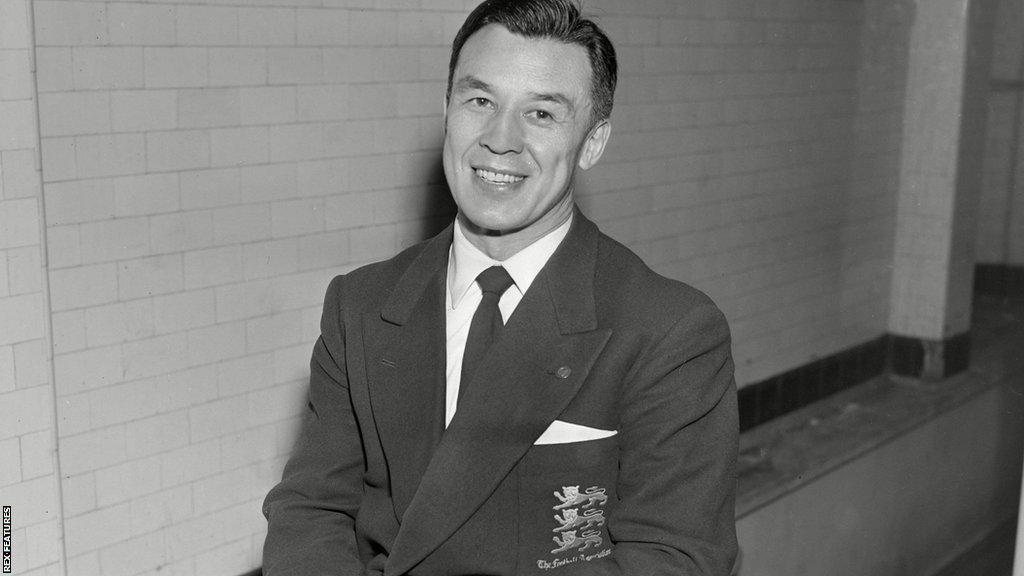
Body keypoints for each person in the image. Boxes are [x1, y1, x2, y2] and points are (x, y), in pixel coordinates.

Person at [261, 0, 739, 574]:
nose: (499, 140)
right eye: (480, 101)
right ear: (447, 110)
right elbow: (311, 510)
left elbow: (673, 558)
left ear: (592, 142)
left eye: (541, 114)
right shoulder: (360, 305)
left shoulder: (670, 331)